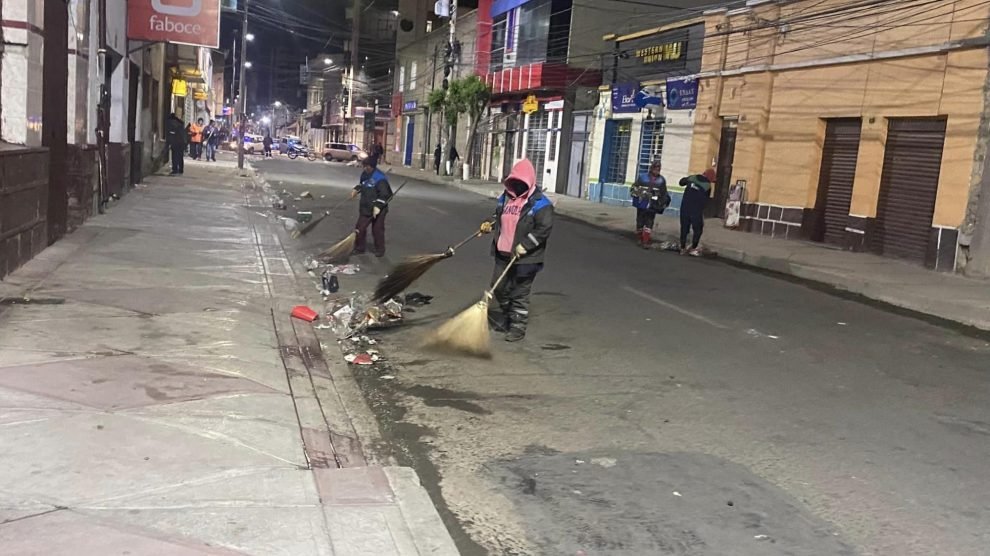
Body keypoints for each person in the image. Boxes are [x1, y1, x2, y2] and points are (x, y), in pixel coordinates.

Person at [479, 159, 554, 343]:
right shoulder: (505, 197)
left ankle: (517, 327)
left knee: (520, 293)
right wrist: (489, 224)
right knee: (499, 286)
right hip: (503, 253)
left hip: (526, 258)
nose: (517, 186)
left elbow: (543, 229)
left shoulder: (541, 204)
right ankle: (508, 315)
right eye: (515, 182)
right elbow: (499, 216)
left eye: (521, 183)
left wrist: (526, 245)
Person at [349, 158, 393, 257]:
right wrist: (356, 189)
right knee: (360, 228)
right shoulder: (365, 174)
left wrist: (378, 206)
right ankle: (359, 248)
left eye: (366, 166)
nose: (364, 168)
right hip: (366, 207)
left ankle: (380, 249)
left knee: (377, 229)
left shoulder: (380, 178)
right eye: (363, 166)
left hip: (379, 209)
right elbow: (363, 184)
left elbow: (386, 194)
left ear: (371, 167)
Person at [630, 160, 670, 248]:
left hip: (653, 204)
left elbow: (664, 193)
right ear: (651, 168)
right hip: (642, 202)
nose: (657, 170)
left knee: (649, 221)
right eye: (655, 168)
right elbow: (635, 187)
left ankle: (645, 241)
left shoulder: (661, 180)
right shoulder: (642, 177)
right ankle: (640, 238)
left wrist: (663, 202)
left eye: (658, 168)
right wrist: (636, 193)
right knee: (640, 220)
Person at [678, 168, 716, 257]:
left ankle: (682, 247)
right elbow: (705, 200)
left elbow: (681, 182)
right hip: (696, 210)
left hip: (685, 207)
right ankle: (693, 247)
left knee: (684, 228)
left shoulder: (692, 178)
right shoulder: (707, 186)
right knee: (698, 229)